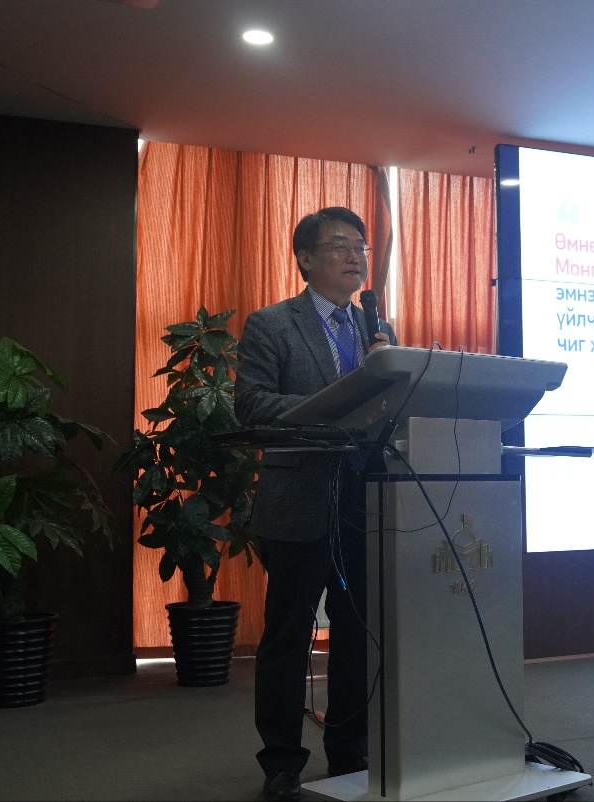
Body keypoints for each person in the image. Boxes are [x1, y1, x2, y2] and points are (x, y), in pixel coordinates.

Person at [234, 206, 395, 800]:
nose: (355, 257)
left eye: (361, 247)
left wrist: (392, 378)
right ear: (305, 259)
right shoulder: (272, 324)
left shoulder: (376, 329)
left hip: (365, 500)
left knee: (357, 635)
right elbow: (252, 404)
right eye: (340, 246)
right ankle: (281, 762)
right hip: (298, 498)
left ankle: (350, 750)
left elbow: (389, 413)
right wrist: (337, 403)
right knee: (288, 637)